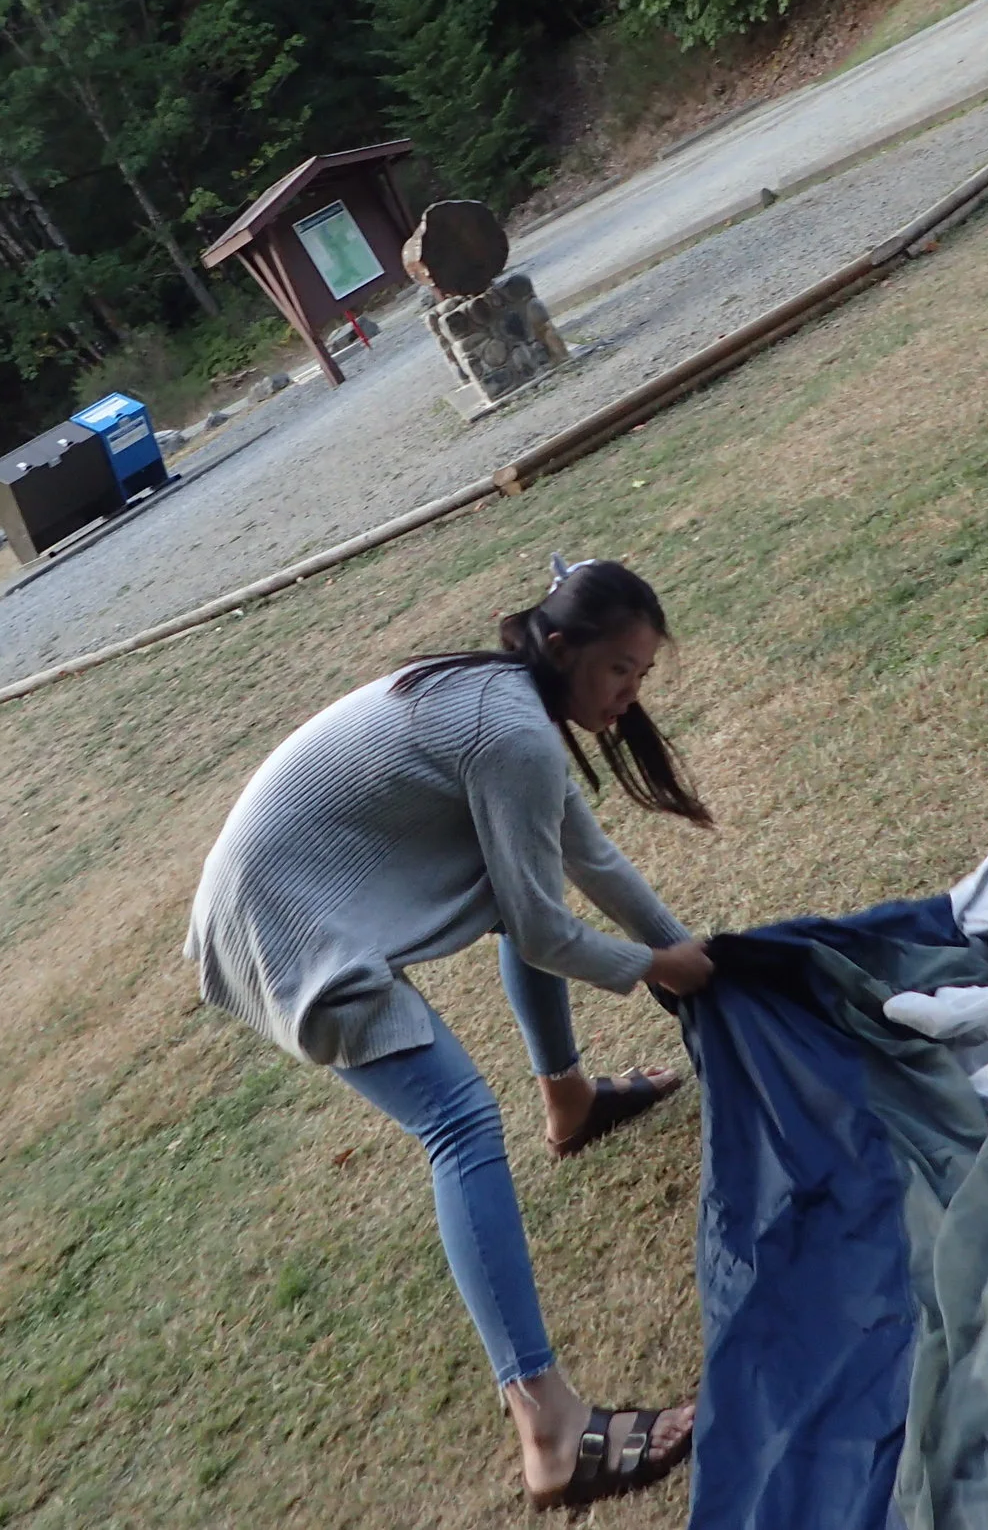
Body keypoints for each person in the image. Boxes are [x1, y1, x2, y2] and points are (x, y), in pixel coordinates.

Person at [184, 555, 717, 1512]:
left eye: (641, 673)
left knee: (522, 889)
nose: (630, 693)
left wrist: (687, 953)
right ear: (564, 648)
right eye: (619, 670)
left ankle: (571, 1103)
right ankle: (549, 1432)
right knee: (460, 1123)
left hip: (285, 889)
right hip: (279, 922)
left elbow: (584, 857)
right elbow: (547, 931)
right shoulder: (512, 734)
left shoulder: (511, 701)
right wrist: (657, 968)